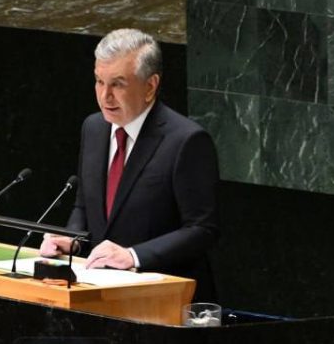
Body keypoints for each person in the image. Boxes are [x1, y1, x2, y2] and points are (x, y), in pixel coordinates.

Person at [40, 29, 220, 301]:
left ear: (150, 86)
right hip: (100, 293)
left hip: (165, 299)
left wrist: (132, 255)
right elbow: (84, 207)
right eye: (99, 82)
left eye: (118, 84)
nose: (105, 96)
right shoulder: (93, 128)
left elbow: (202, 229)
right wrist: (73, 240)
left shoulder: (186, 140)